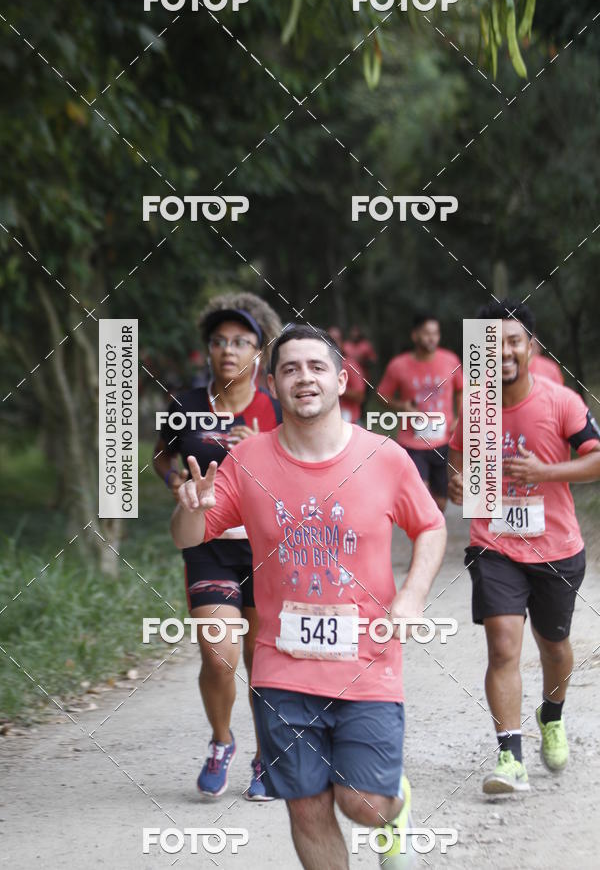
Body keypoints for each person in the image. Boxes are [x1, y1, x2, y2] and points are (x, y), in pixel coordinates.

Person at [172, 324, 447, 869]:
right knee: (307, 809)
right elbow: (188, 537)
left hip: (367, 663)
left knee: (361, 803)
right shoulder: (246, 460)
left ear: (341, 380)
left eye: (317, 367)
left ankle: (396, 809)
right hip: (281, 666)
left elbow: (432, 527)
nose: (305, 378)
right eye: (290, 368)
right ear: (272, 383)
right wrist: (192, 507)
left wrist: (412, 596)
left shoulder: (384, 457)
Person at [448, 298, 600, 795]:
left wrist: (545, 473)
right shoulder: (475, 403)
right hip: (495, 543)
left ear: (531, 347)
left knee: (554, 646)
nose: (503, 350)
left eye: (514, 340)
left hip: (556, 545)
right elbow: (458, 458)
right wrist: (457, 482)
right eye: (492, 342)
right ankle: (509, 756)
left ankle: (551, 715)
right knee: (503, 644)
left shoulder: (562, 401)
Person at [154, 292, 282, 800]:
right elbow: (163, 454)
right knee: (219, 655)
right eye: (219, 341)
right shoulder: (185, 404)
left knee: (262, 658)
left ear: (259, 351)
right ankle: (222, 740)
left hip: (268, 548)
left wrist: (262, 452)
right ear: (208, 350)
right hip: (208, 544)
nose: (228, 350)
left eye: (240, 341)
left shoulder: (275, 409)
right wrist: (177, 486)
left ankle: (266, 757)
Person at [377, 314, 462, 512]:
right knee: (420, 496)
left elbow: (462, 389)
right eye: (426, 333)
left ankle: (430, 531)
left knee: (440, 502)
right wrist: (400, 406)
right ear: (415, 336)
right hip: (412, 442)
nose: (432, 338)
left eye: (435, 333)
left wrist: (459, 417)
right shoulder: (399, 365)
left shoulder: (450, 360)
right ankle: (423, 535)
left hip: (443, 441)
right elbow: (381, 396)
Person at [328, 326, 367, 423]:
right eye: (327, 339)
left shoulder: (350, 365)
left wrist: (335, 388)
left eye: (335, 339)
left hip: (350, 421)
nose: (330, 344)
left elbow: (360, 396)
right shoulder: (317, 365)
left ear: (342, 343)